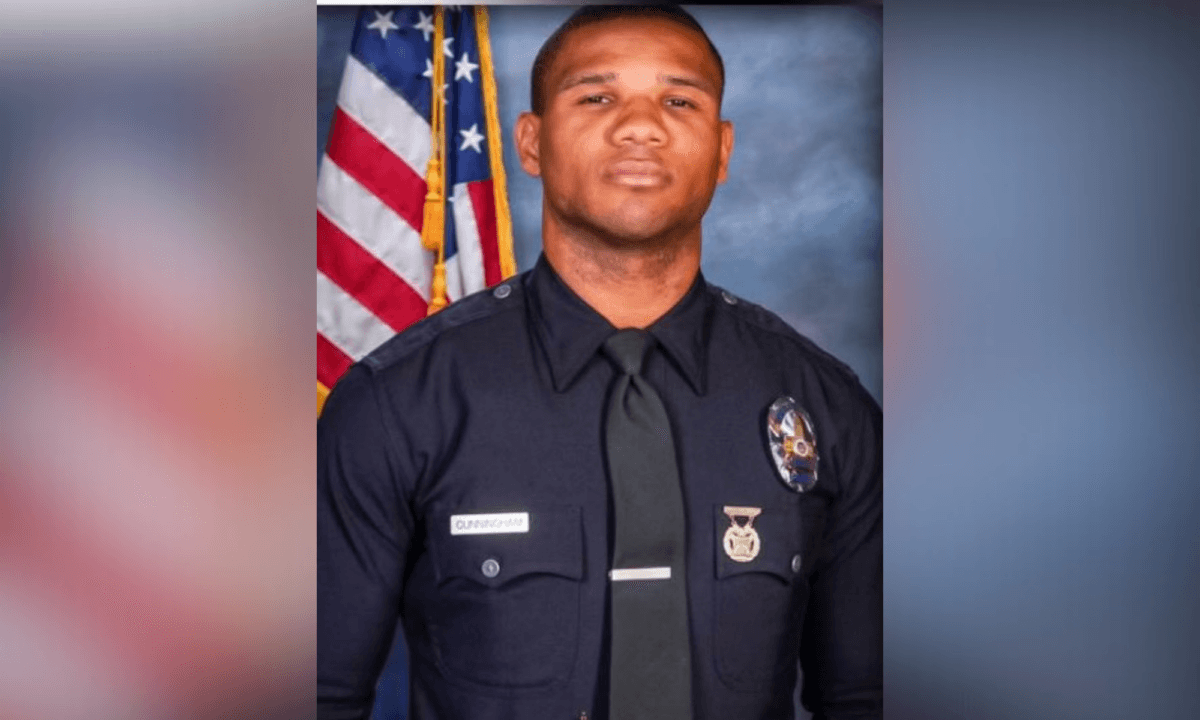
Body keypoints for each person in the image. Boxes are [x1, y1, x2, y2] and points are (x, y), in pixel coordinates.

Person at [317, 6, 881, 720]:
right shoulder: (396, 404)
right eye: (596, 97)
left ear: (722, 149)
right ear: (531, 142)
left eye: (680, 102)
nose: (640, 126)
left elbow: (864, 697)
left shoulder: (828, 408)